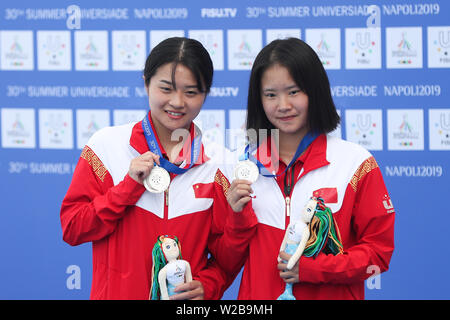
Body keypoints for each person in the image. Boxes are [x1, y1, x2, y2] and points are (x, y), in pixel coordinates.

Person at [60, 37, 248, 300]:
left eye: (191, 92)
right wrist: (127, 188)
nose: (177, 102)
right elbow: (72, 228)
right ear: (146, 82)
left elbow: (227, 259)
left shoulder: (220, 165)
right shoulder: (106, 147)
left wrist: (208, 285)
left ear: (206, 94)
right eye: (166, 88)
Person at [215, 38, 395, 299]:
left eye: (294, 91)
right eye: (270, 95)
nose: (283, 105)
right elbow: (225, 262)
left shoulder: (355, 164)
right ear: (258, 99)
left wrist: (314, 269)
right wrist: (237, 217)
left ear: (315, 91)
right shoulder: (239, 168)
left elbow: (378, 253)